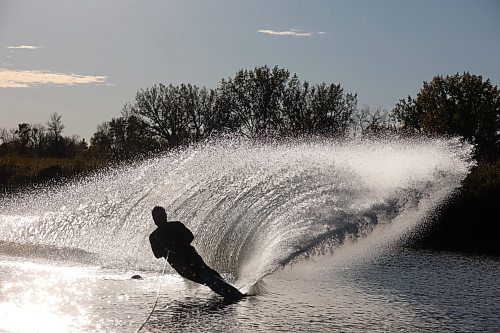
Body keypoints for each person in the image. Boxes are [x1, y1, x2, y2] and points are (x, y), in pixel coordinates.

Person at [149, 206, 244, 302]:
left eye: (160, 216)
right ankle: (228, 293)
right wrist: (164, 248)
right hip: (180, 266)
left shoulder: (176, 225)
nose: (158, 219)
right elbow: (157, 255)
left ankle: (228, 290)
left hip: (191, 256)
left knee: (209, 273)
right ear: (154, 219)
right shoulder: (154, 237)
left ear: (165, 215)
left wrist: (179, 245)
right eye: (155, 217)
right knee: (204, 278)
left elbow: (190, 236)